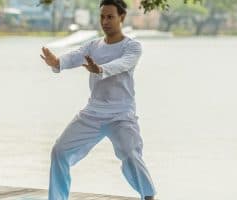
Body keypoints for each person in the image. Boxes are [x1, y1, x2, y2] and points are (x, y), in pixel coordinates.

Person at [40, 0, 156, 199]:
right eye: (102, 16)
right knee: (59, 151)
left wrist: (100, 69)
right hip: (92, 114)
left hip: (121, 115)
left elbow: (123, 64)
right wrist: (57, 62)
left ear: (122, 17)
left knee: (130, 155)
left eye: (110, 16)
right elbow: (74, 56)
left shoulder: (132, 47)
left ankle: (148, 195)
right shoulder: (93, 46)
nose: (105, 21)